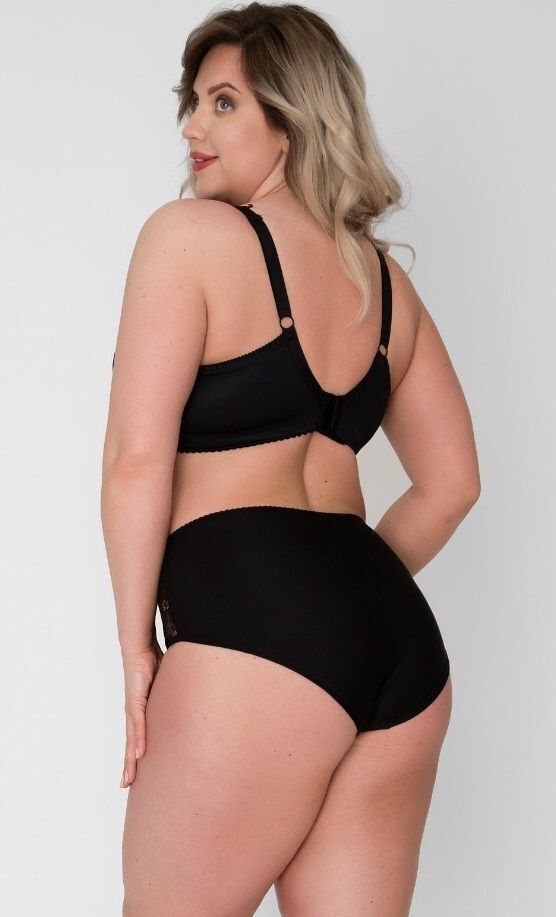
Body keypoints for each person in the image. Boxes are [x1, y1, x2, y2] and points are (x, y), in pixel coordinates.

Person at [101, 4, 481, 915]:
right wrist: (339, 595)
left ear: (293, 118)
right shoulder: (386, 285)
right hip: (399, 646)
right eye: (193, 103)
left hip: (251, 631)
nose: (192, 127)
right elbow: (453, 484)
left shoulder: (187, 238)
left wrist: (136, 648)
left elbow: (135, 461)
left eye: (223, 102)